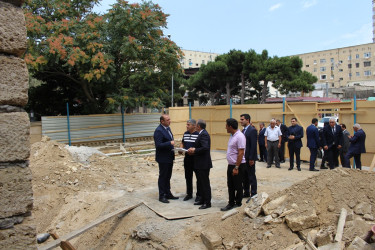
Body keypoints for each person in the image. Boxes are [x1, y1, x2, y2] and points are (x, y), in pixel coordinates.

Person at [221, 118, 246, 211]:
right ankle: (231, 203)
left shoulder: (240, 136)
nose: (225, 128)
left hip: (238, 165)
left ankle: (238, 203)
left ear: (230, 127)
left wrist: (236, 167)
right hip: (231, 164)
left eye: (226, 126)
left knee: (238, 185)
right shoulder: (232, 135)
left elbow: (241, 153)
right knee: (230, 185)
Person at [187, 119, 212, 209]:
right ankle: (202, 199)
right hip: (200, 163)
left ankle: (207, 202)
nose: (195, 126)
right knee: (201, 183)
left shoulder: (204, 134)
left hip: (203, 163)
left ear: (199, 126)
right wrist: (195, 149)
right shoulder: (201, 133)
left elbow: (205, 147)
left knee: (205, 183)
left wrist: (195, 150)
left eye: (196, 125)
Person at [153, 114, 178, 203]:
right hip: (163, 158)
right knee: (163, 176)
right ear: (162, 121)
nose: (169, 121)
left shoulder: (167, 128)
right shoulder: (159, 131)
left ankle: (168, 193)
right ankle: (162, 195)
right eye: (167, 120)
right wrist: (169, 143)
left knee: (168, 176)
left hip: (169, 157)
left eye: (169, 119)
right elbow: (158, 145)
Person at [180, 119, 200, 201]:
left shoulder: (198, 135)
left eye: (188, 125)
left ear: (194, 126)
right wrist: (181, 148)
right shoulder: (185, 133)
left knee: (198, 177)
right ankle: (189, 194)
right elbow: (183, 143)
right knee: (188, 176)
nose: (187, 126)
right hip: (187, 158)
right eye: (187, 124)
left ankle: (199, 195)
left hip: (196, 159)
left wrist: (194, 151)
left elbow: (200, 147)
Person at [240, 114, 258, 199]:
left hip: (249, 157)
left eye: (242, 119)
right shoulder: (243, 131)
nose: (241, 121)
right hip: (243, 158)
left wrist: (251, 158)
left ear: (247, 120)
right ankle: (246, 192)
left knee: (251, 176)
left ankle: (253, 193)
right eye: (240, 119)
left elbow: (253, 146)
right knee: (244, 176)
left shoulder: (252, 130)